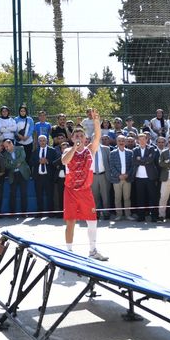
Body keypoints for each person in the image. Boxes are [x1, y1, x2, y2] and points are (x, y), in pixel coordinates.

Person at [61, 109, 107, 261]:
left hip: (86, 191)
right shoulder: (68, 150)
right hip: (71, 192)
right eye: (76, 136)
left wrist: (95, 121)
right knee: (71, 221)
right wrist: (74, 147)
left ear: (86, 138)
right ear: (72, 138)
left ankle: (93, 250)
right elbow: (64, 161)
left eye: (81, 135)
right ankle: (68, 251)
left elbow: (98, 136)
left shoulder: (90, 150)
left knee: (92, 220)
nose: (79, 137)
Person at [107, 135, 134, 221]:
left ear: (125, 142)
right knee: (117, 198)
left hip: (127, 178)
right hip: (116, 179)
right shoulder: (112, 153)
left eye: (123, 140)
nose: (121, 142)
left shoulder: (130, 153)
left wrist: (127, 174)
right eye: (119, 141)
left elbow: (132, 166)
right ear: (117, 142)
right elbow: (111, 166)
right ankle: (118, 215)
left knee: (127, 198)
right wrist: (119, 175)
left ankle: (128, 215)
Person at [2, 140, 30, 216]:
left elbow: (23, 158)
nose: (6, 148)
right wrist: (16, 163)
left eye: (7, 146)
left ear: (11, 144)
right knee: (12, 194)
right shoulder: (4, 154)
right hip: (12, 175)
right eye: (4, 147)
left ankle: (24, 213)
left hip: (23, 174)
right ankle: (12, 213)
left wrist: (12, 162)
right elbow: (7, 165)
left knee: (23, 193)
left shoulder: (20, 148)